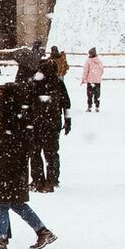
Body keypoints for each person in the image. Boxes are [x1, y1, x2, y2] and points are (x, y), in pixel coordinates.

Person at [0, 66, 55, 249]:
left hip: (8, 162)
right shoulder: (20, 117)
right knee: (15, 202)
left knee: (0, 198)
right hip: (14, 162)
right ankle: (42, 231)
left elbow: (7, 140)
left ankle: (1, 237)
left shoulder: (11, 119)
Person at [33, 52, 71, 189]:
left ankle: (38, 179)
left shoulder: (36, 84)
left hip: (37, 122)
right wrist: (68, 121)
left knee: (36, 152)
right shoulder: (59, 84)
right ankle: (52, 179)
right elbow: (66, 103)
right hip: (53, 121)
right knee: (52, 152)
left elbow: (28, 102)